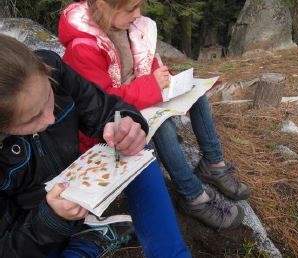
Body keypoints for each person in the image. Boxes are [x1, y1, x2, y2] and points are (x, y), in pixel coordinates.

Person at [58, 0, 251, 229]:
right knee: (163, 127)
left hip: (137, 99)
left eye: (140, 5)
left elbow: (148, 64)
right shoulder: (83, 47)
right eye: (131, 8)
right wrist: (152, 87)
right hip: (107, 126)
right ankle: (193, 197)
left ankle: (213, 163)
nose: (138, 14)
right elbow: (101, 103)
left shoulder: (132, 28)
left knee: (196, 95)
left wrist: (167, 79)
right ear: (102, 6)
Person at [0, 34, 191, 258]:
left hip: (79, 184)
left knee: (136, 154)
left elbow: (103, 107)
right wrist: (49, 220)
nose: (50, 118)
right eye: (31, 119)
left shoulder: (52, 68)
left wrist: (127, 123)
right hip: (34, 228)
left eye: (48, 96)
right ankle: (87, 243)